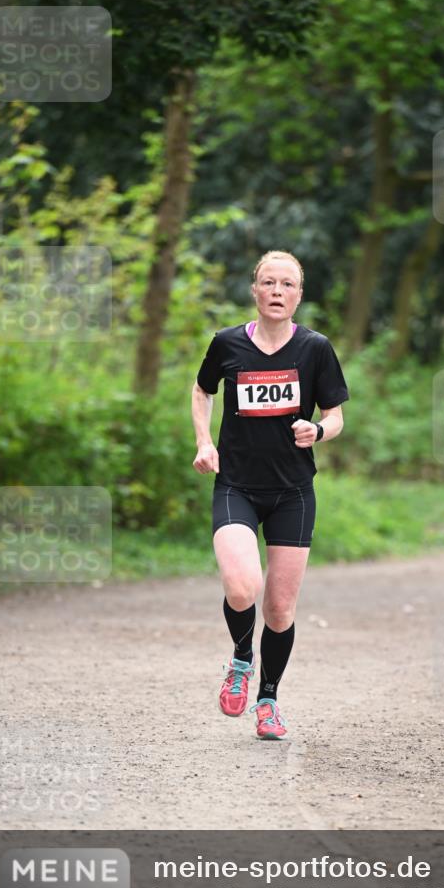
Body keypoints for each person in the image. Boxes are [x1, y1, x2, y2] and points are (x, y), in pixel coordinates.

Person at [191, 250, 350, 740]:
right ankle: (242, 658)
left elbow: (337, 415)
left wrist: (317, 431)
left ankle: (268, 701)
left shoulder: (316, 348)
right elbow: (202, 390)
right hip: (237, 484)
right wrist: (204, 441)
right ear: (255, 290)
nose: (277, 291)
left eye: (287, 284)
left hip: (293, 493)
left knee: (280, 610)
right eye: (268, 282)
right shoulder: (227, 343)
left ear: (299, 295)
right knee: (242, 588)